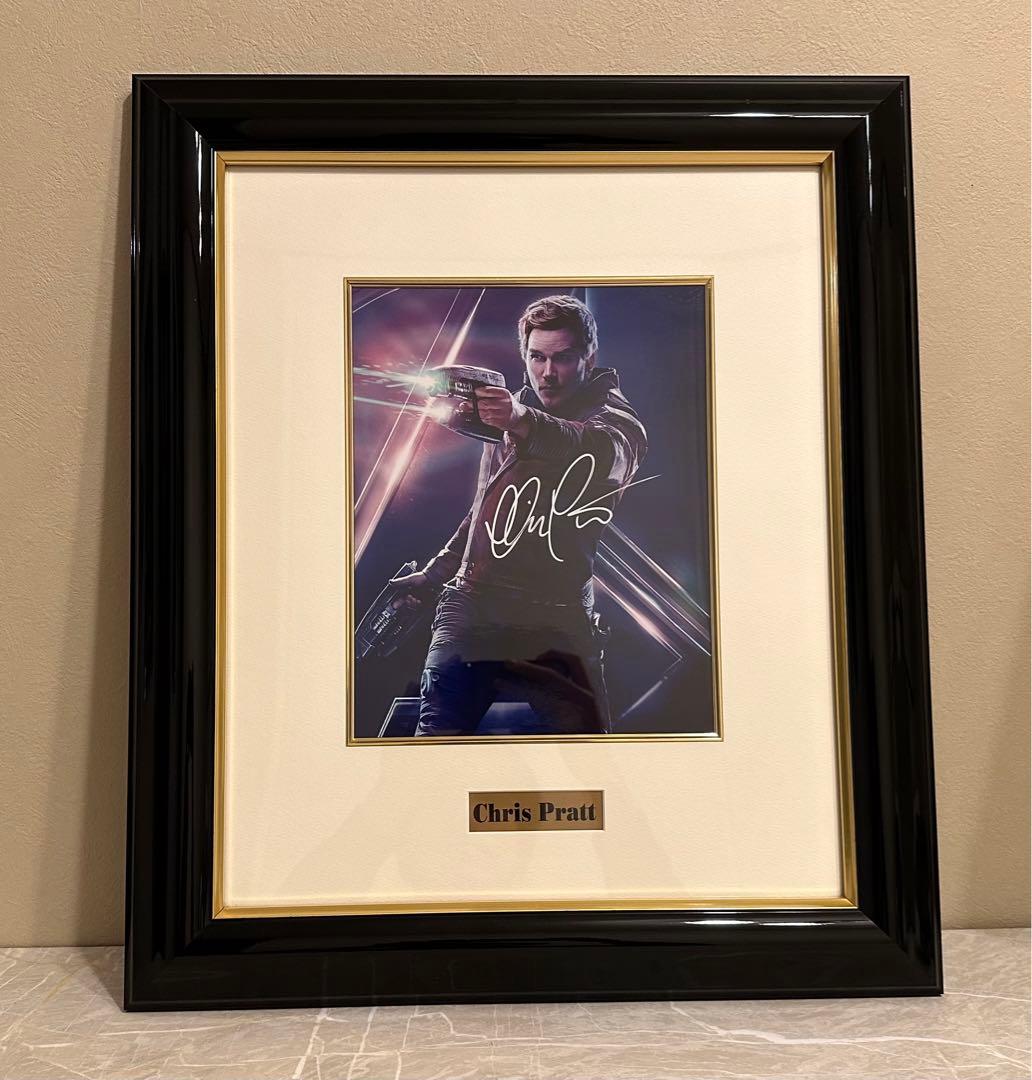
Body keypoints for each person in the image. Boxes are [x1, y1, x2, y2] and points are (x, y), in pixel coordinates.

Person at [394, 294, 648, 736]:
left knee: (591, 754)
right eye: (537, 357)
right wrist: (434, 575)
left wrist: (522, 421)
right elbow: (487, 509)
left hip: (558, 620)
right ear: (524, 356)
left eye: (563, 358)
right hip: (474, 606)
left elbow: (597, 452)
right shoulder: (511, 411)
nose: (548, 372)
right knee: (434, 744)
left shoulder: (617, 422)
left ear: (589, 357)